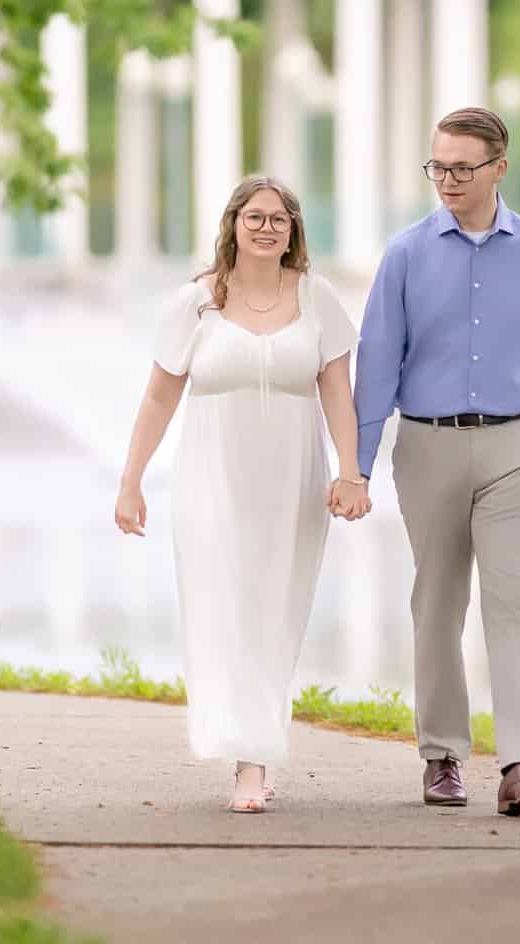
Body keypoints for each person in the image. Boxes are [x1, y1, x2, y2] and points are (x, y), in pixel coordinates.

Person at [354, 106, 520, 816]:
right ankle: (443, 757)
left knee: (511, 599)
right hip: (427, 447)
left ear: (498, 169)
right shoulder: (405, 254)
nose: (447, 181)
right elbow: (375, 364)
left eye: (461, 168)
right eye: (438, 167)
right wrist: (357, 468)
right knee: (438, 602)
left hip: (516, 447)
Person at [113, 175, 370, 814]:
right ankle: (245, 759)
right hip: (210, 479)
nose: (266, 228)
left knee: (273, 612)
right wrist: (131, 481)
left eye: (278, 219)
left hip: (291, 481)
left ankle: (255, 752)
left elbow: (337, 391)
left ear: (293, 231)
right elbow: (158, 396)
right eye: (254, 217)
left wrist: (351, 471)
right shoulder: (195, 304)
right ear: (232, 224)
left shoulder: (318, 300)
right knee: (221, 607)